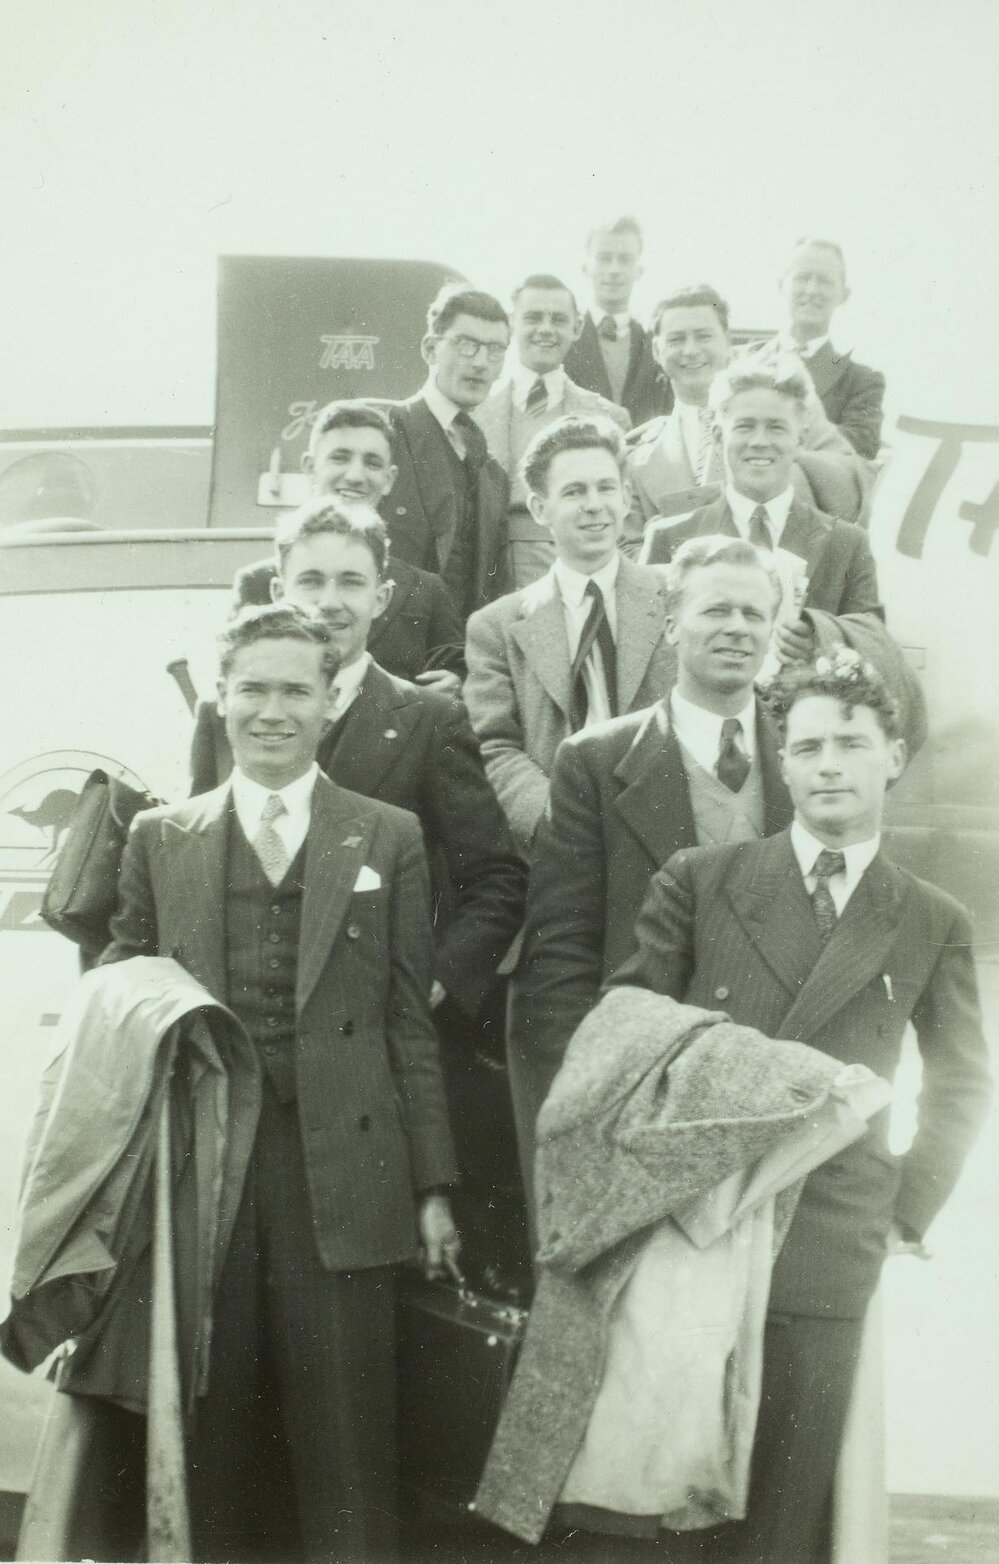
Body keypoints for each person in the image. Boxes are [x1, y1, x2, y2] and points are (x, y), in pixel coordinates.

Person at [609, 654, 992, 1563]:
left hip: (830, 1233)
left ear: (892, 757)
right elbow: (628, 1039)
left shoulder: (930, 918)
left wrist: (899, 1209)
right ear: (781, 761)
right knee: (670, 1503)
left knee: (783, 1511)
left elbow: (961, 1080)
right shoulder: (701, 880)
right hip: (701, 1224)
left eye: (851, 744)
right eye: (808, 744)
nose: (827, 764)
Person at [105, 605, 460, 1563]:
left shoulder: (387, 835)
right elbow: (121, 1016)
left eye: (295, 690)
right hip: (205, 1174)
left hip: (342, 1174)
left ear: (331, 699)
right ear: (221, 701)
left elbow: (404, 1025)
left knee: (347, 1447)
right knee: (209, 1440)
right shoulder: (159, 838)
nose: (272, 710)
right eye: (252, 688)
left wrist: (431, 1186)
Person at [189, 499, 530, 1296]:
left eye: (351, 581)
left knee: (357, 1283)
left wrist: (432, 982)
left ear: (382, 597)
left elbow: (496, 880)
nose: (329, 600)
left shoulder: (426, 719)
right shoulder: (226, 715)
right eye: (309, 579)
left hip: (375, 1058)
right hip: (254, 1050)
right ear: (278, 586)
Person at [509, 536, 793, 1180]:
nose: (736, 629)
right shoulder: (595, 762)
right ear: (670, 626)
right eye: (716, 610)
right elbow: (560, 956)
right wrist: (586, 1104)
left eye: (754, 615)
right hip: (642, 1097)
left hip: (779, 1095)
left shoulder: (805, 761)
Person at [463, 415, 674, 859]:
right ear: (541, 510)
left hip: (667, 838)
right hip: (559, 845)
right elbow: (497, 746)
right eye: (574, 492)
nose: (594, 505)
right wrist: (560, 825)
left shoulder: (676, 596)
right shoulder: (497, 627)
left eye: (606, 488)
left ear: (627, 498)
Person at [640, 358, 884, 666]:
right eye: (744, 427)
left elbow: (875, 640)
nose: (759, 442)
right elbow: (644, 650)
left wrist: (819, 634)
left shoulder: (847, 544)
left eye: (776, 427)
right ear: (717, 435)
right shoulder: (669, 536)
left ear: (801, 438)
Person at [231, 400, 465, 687]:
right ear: (310, 468)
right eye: (340, 458)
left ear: (389, 479)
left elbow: (459, 675)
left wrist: (456, 684)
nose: (355, 476)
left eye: (372, 462)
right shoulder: (258, 583)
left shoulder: (426, 591)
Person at [625, 285, 868, 549]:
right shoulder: (640, 456)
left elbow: (851, 483)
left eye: (703, 336)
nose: (690, 350)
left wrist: (777, 459)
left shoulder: (785, 403)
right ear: (657, 352)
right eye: (676, 340)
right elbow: (630, 549)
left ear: (727, 342)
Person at [475, 274, 629, 588]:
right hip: (488, 574)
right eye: (533, 318)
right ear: (510, 324)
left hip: (581, 571)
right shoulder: (474, 411)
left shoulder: (610, 418)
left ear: (577, 328)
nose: (545, 329)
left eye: (558, 319)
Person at [380, 283, 512, 622]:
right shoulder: (385, 431)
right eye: (467, 345)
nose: (482, 363)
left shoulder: (492, 471)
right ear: (429, 349)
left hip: (458, 663)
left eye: (496, 350)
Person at [752, 238, 886, 460]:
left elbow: (858, 450)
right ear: (781, 285)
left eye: (824, 281)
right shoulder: (743, 360)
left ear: (844, 295)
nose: (812, 290)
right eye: (802, 278)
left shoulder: (861, 382)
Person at [563, 217, 668, 427]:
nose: (614, 270)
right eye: (603, 258)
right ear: (586, 267)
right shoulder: (564, 337)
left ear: (639, 271)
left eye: (625, 259)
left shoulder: (656, 342)